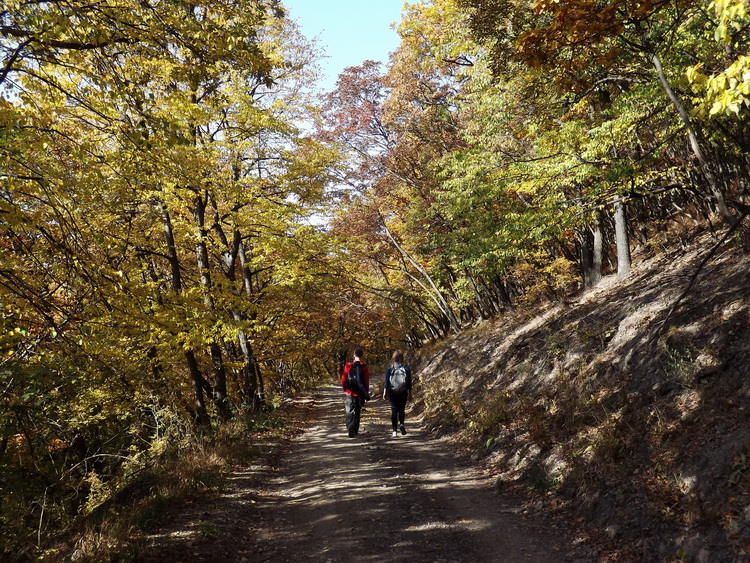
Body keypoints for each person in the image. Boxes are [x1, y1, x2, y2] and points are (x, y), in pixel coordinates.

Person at [341, 347, 370, 437]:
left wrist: (346, 390)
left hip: (350, 392)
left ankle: (349, 425)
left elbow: (343, 379)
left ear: (354, 355)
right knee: (357, 411)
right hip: (359, 393)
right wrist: (365, 394)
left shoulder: (348, 365)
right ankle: (355, 429)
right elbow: (366, 382)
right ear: (362, 356)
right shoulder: (364, 367)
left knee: (349, 411)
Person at [382, 350, 412, 437]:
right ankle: (402, 424)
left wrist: (384, 392)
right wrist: (410, 393)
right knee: (401, 410)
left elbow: (387, 382)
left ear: (393, 357)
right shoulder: (406, 367)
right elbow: (409, 382)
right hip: (403, 391)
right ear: (402, 357)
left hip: (392, 392)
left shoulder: (390, 367)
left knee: (394, 411)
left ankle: (394, 431)